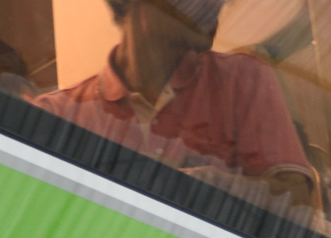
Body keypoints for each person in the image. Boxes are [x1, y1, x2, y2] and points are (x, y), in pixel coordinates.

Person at [29, 0, 315, 212]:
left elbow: (296, 201)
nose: (215, 5)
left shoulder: (243, 80)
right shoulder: (55, 116)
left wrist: (191, 185)